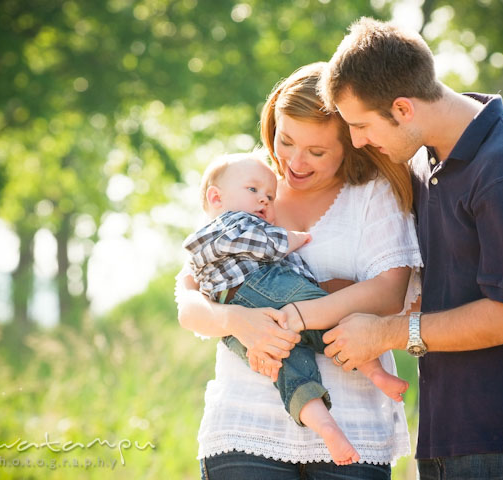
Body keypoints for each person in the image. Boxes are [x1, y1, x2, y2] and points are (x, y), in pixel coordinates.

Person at [318, 17, 503, 479]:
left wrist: (388, 332)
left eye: (361, 125)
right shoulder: (428, 161)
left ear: (404, 109)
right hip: (453, 437)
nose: (357, 140)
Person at [175, 62, 422, 479]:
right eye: (285, 140)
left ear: (351, 144)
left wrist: (298, 314)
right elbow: (190, 301)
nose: (294, 162)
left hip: (353, 422)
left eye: (317, 151)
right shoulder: (249, 185)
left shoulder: (371, 196)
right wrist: (238, 319)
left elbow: (388, 293)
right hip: (245, 422)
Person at [183, 151, 410, 465]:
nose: (264, 200)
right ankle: (369, 378)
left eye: (270, 196)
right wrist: (289, 239)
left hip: (258, 308)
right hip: (254, 290)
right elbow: (193, 298)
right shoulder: (227, 225)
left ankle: (328, 422)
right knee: (330, 319)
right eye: (254, 191)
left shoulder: (369, 194)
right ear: (215, 198)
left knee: (293, 370)